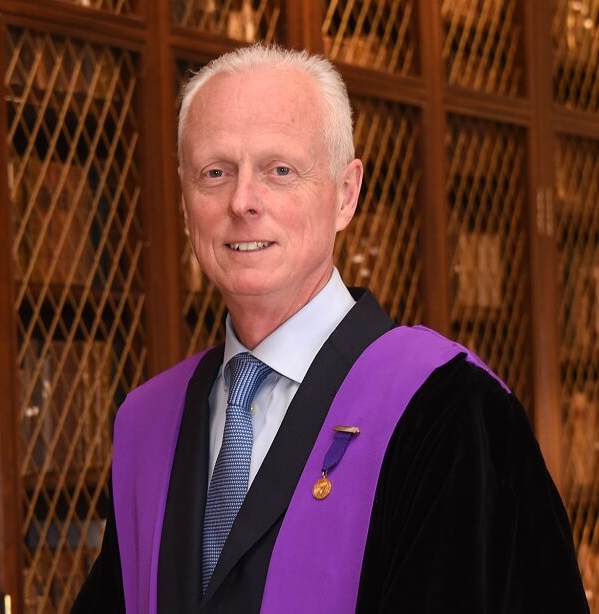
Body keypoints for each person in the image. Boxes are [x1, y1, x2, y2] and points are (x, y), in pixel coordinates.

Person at [72, 44, 588, 613]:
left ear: (346, 194)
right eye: (214, 173)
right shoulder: (150, 423)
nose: (243, 202)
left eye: (280, 170)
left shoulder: (449, 411)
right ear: (186, 198)